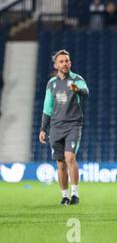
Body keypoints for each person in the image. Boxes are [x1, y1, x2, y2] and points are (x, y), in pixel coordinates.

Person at [38, 50, 89, 206]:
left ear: (70, 63)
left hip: (73, 124)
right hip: (56, 127)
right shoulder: (51, 83)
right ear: (56, 65)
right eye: (61, 61)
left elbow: (86, 92)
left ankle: (75, 194)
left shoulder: (77, 79)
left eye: (67, 61)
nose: (65, 63)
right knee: (60, 164)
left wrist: (77, 90)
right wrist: (42, 129)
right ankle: (65, 196)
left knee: (70, 158)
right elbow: (47, 107)